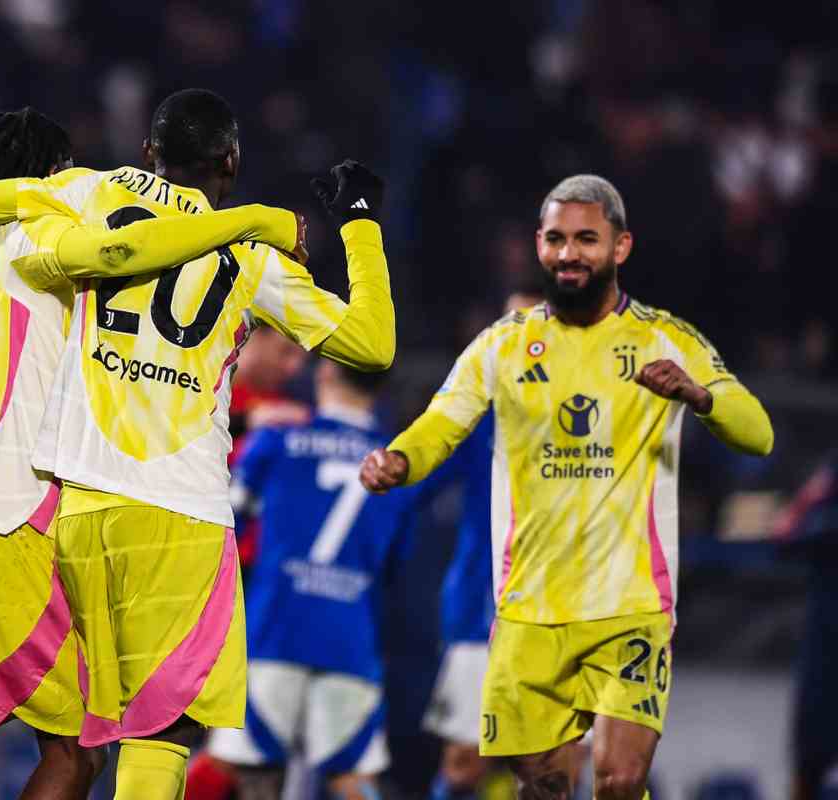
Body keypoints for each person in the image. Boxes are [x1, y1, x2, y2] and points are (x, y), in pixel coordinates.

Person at [0, 87, 394, 800]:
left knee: (86, 739)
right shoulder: (252, 260)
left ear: (149, 152)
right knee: (160, 735)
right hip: (182, 514)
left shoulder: (90, 192)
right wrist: (359, 225)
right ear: (230, 162)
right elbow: (372, 345)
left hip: (80, 512)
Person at [359, 174, 774, 800]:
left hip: (630, 607)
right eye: (556, 239)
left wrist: (700, 395)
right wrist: (397, 460)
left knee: (618, 781)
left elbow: (759, 433)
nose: (569, 253)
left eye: (586, 239)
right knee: (543, 788)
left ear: (620, 246)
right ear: (539, 244)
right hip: (529, 611)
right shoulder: (502, 345)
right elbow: (440, 425)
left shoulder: (666, 339)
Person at [204, 359, 436, 800]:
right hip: (351, 642)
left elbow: (225, 523)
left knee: (247, 771)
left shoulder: (277, 439)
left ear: (326, 371)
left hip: (274, 632)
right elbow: (398, 566)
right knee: (353, 779)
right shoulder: (397, 468)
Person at [420, 286, 542, 800]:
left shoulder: (593, 420)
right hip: (478, 613)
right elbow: (411, 482)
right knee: (464, 762)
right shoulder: (475, 414)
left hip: (557, 621)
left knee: (548, 767)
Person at [772, 455, 838, 800]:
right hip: (825, 652)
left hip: (823, 650)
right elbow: (783, 535)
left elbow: (785, 533)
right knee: (809, 761)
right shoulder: (826, 498)